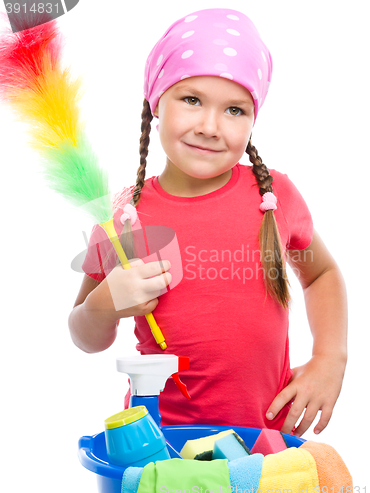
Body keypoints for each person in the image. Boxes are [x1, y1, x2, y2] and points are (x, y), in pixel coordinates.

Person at [68, 8, 347, 437]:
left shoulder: (273, 197)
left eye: (235, 109)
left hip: (266, 440)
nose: (210, 126)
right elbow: (86, 336)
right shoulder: (124, 217)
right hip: (158, 444)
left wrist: (330, 358)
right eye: (192, 100)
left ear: (254, 120)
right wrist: (102, 306)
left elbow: (321, 273)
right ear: (156, 101)